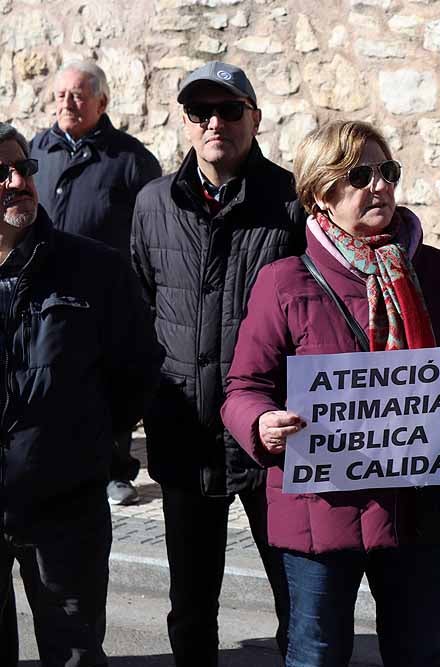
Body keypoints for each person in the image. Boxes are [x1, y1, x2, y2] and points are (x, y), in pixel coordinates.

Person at [220, 119, 440, 667]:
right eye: (359, 175)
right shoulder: (284, 281)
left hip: (418, 509)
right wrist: (261, 422)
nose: (380, 186)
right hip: (320, 513)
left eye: (386, 172)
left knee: (417, 653)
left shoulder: (437, 271)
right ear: (320, 194)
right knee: (317, 654)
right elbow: (243, 387)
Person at [131, 61, 303, 666]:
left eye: (230, 111)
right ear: (185, 123)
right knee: (192, 605)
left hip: (270, 436)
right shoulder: (152, 203)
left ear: (254, 119)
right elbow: (140, 309)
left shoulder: (289, 201)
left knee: (298, 601)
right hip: (184, 436)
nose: (215, 123)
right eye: (200, 112)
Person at [0, 122, 162, 665]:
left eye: (25, 168)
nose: (19, 181)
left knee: (74, 653)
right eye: (2, 173)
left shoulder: (95, 269)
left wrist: (87, 445)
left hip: (65, 507)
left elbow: (136, 371)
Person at [29, 59, 162, 506]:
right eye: (62, 94)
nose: (68, 102)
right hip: (43, 289)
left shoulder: (130, 159)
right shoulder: (37, 150)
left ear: (101, 102)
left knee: (107, 379)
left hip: (102, 290)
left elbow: (149, 228)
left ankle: (116, 470)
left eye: (79, 94)